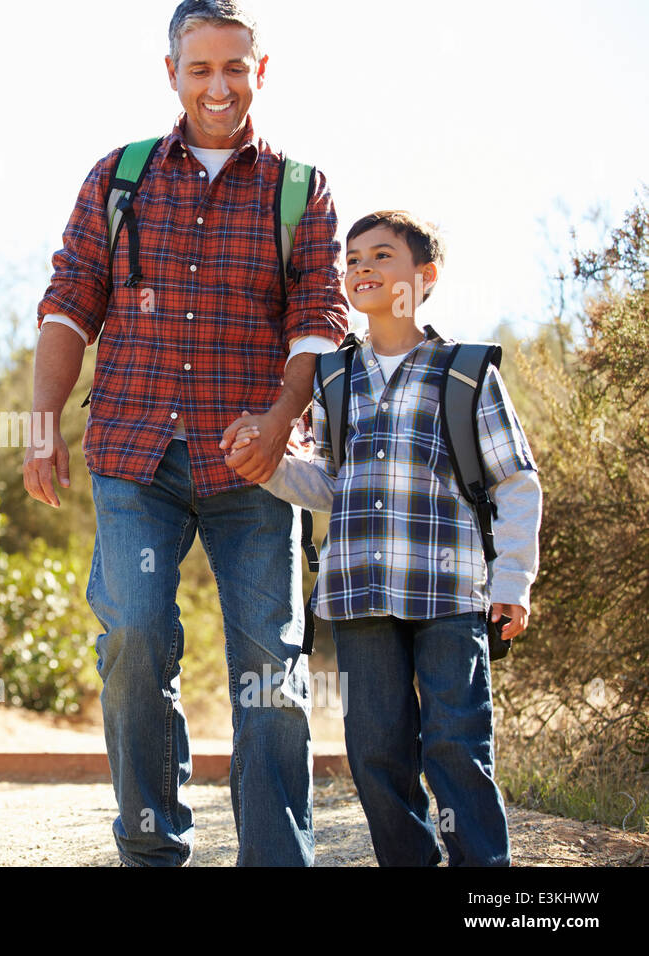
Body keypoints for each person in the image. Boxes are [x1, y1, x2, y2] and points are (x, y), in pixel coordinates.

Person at [23, 0, 348, 866]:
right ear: (171, 72)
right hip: (136, 453)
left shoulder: (298, 188)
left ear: (261, 71)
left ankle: (276, 855)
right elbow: (69, 301)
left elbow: (320, 316)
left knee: (270, 667)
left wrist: (283, 423)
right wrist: (41, 421)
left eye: (234, 67)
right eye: (199, 68)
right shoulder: (119, 177)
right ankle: (151, 845)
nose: (218, 85)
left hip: (256, 469)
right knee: (132, 633)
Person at [226, 210, 543, 866]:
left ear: (423, 278)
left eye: (381, 256)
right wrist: (273, 465)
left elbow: (515, 482)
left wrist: (512, 582)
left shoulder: (465, 373)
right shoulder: (335, 379)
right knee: (375, 751)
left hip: (453, 596)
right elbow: (328, 486)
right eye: (354, 259)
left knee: (457, 745)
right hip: (361, 601)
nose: (362, 267)